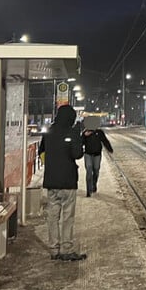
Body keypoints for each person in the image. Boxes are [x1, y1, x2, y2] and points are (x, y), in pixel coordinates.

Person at [38, 105, 87, 261]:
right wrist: (78, 140)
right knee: (67, 216)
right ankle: (66, 248)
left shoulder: (49, 132)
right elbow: (77, 154)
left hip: (51, 181)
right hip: (68, 181)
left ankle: (54, 249)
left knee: (52, 216)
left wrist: (51, 165)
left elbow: (41, 152)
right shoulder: (72, 132)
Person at [81, 117, 113, 197]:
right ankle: (89, 190)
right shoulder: (85, 132)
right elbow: (80, 143)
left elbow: (105, 141)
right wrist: (84, 136)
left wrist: (110, 149)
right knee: (89, 170)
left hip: (97, 155)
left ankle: (94, 184)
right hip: (88, 154)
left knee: (96, 170)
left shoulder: (100, 132)